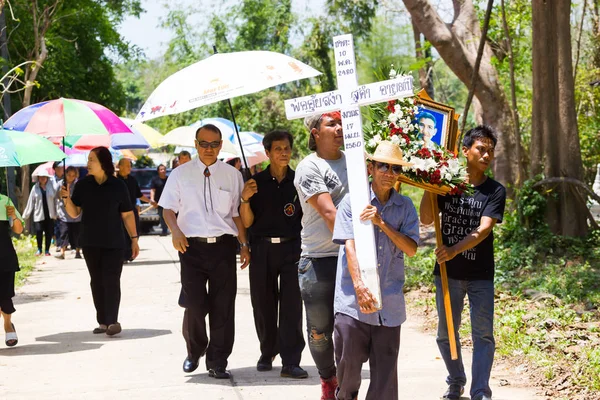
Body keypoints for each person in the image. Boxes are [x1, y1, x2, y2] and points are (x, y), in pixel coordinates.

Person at [419, 125, 506, 400]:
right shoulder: (448, 184)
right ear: (465, 151)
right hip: (448, 272)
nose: (487, 155)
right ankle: (456, 381)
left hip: (480, 274)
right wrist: (429, 186)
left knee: (483, 335)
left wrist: (454, 249)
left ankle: (480, 390)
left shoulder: (495, 191)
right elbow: (425, 219)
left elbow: (484, 230)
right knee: (446, 334)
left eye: (491, 151)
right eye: (481, 149)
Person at [159, 124, 250, 379]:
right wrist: (175, 231)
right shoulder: (180, 175)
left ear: (221, 145)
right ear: (196, 144)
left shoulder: (232, 175)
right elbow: (167, 208)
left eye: (214, 144)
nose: (209, 149)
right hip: (191, 248)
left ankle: (218, 360)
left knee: (223, 307)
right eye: (203, 144)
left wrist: (244, 244)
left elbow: (235, 215)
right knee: (195, 305)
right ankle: (194, 349)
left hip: (223, 248)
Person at [332, 141, 419, 400]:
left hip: (389, 305)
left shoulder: (405, 207)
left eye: (395, 168)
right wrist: (359, 286)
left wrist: (381, 222)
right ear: (371, 168)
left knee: (384, 382)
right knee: (348, 377)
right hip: (352, 302)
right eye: (384, 166)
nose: (389, 173)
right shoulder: (352, 202)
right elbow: (350, 247)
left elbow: (411, 248)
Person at [239, 130, 307, 379]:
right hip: (261, 248)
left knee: (291, 305)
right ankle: (267, 352)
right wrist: (245, 199)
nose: (284, 153)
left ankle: (291, 360)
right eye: (277, 149)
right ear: (267, 153)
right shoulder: (255, 183)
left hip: (293, 248)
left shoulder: (299, 180)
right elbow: (247, 222)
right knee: (263, 303)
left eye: (287, 148)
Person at [293, 111, 347, 399]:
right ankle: (328, 379)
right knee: (320, 332)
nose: (339, 128)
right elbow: (329, 213)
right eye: (331, 124)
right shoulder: (308, 167)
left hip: (351, 259)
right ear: (315, 132)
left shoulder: (357, 161)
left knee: (351, 329)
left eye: (341, 123)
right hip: (318, 260)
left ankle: (348, 382)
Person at [61, 147, 139, 337]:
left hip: (114, 242)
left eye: (91, 160)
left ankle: (113, 321)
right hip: (90, 242)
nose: (88, 163)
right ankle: (102, 321)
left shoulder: (118, 185)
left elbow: (127, 214)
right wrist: (66, 199)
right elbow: (74, 213)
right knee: (97, 281)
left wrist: (134, 239)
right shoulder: (82, 185)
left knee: (111, 280)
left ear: (103, 163)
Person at [0, 191, 24, 347]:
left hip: (4, 255)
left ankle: (8, 324)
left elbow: (19, 229)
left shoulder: (4, 200)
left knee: (5, 295)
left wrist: (13, 216)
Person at [117, 158, 151, 261]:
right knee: (121, 234)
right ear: (120, 166)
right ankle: (123, 255)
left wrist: (150, 201)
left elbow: (138, 194)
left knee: (134, 232)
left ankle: (130, 253)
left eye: (130, 166)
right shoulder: (115, 180)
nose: (129, 168)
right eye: (127, 166)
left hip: (132, 210)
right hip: (118, 212)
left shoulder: (132, 180)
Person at [23, 172, 57, 256]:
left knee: (49, 232)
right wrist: (25, 216)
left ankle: (47, 250)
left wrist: (57, 213)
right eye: (41, 177)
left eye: (44, 177)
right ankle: (39, 249)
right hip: (39, 214)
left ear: (47, 178)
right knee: (38, 231)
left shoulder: (51, 187)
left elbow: (55, 199)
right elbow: (30, 202)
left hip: (50, 214)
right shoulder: (35, 188)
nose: (43, 178)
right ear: (38, 178)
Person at [55, 166, 82, 259]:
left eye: (73, 175)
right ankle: (62, 252)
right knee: (63, 233)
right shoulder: (60, 184)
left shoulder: (78, 184)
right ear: (65, 174)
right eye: (69, 175)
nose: (71, 177)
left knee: (77, 233)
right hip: (64, 213)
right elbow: (56, 197)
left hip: (77, 214)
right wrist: (61, 192)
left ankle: (78, 251)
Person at [151, 164, 169, 236]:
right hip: (159, 202)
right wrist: (152, 199)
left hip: (169, 201)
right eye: (161, 169)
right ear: (158, 171)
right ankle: (164, 231)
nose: (163, 171)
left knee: (169, 216)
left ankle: (170, 230)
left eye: (164, 169)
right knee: (162, 216)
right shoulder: (155, 180)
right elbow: (153, 190)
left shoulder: (169, 179)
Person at [52, 162, 65, 252]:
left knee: (63, 226)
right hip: (54, 205)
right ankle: (59, 243)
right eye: (59, 168)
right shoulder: (51, 180)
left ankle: (64, 244)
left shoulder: (66, 179)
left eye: (62, 167)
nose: (61, 169)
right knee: (57, 226)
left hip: (64, 205)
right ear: (55, 169)